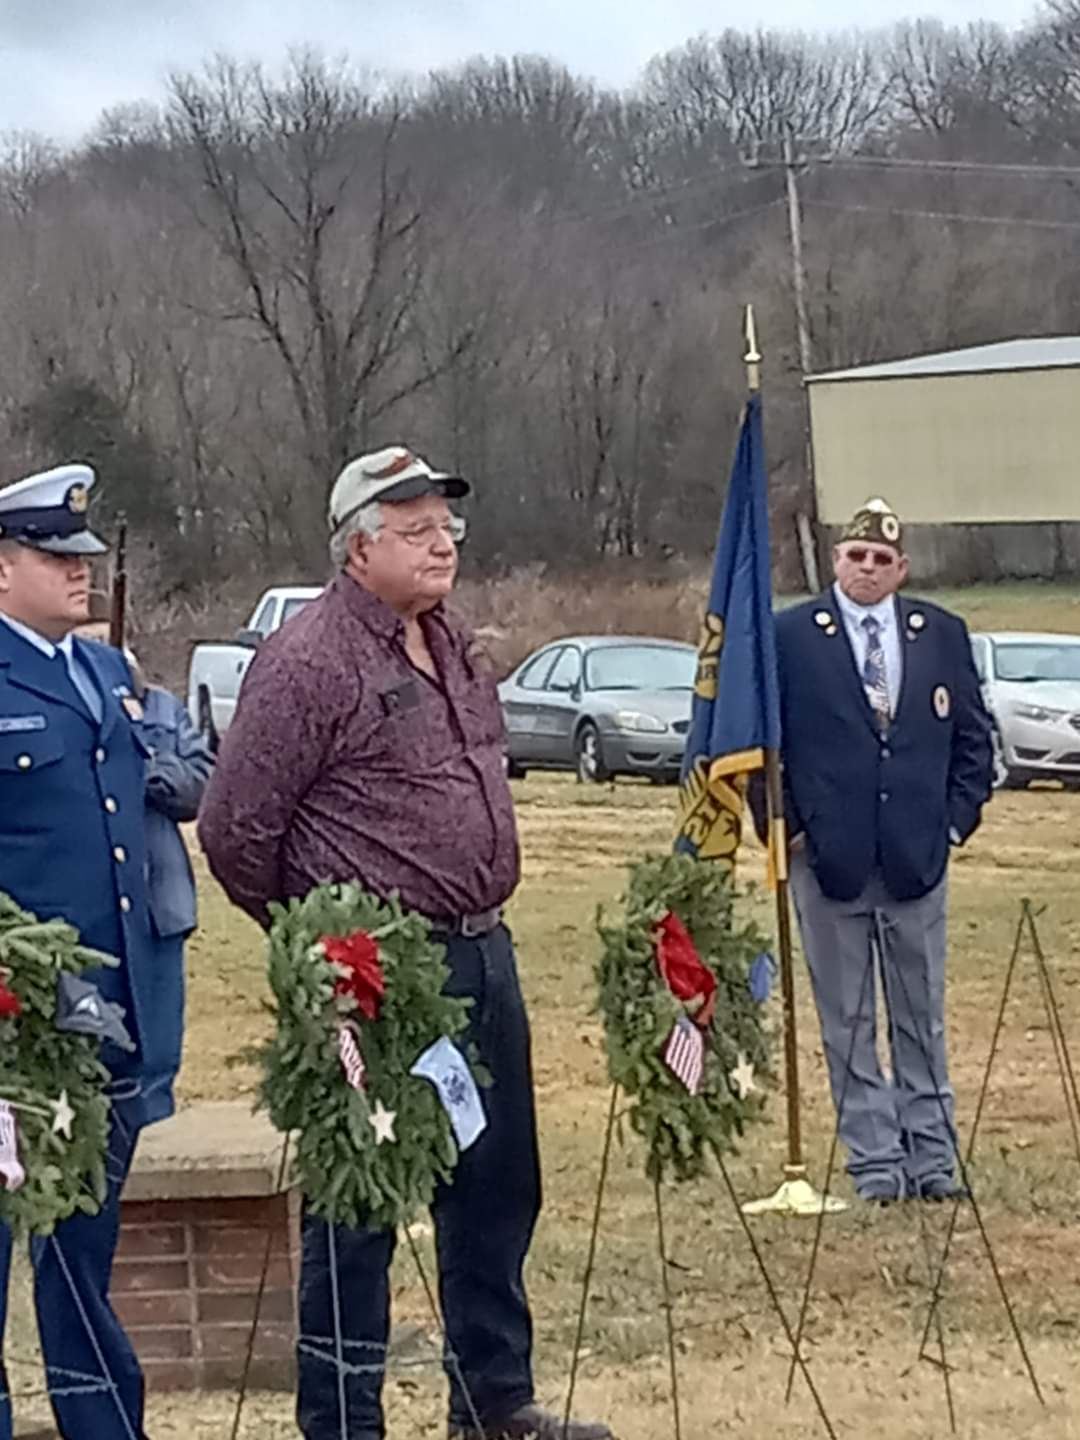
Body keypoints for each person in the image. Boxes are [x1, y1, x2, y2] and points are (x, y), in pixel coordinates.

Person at [198, 446, 610, 1440]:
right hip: (373, 976)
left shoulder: (453, 641)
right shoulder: (306, 662)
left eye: (447, 527)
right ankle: (342, 1419)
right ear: (357, 547)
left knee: (498, 1184)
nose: (442, 544)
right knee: (363, 1201)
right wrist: (326, 945)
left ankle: (494, 1402)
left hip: (480, 950)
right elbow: (233, 830)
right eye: (416, 528)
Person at [0, 464, 167, 1440]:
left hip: (100, 1017)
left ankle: (103, 1424)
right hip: (14, 1022)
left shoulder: (106, 671)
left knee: (81, 1253)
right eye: (54, 555)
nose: (80, 571)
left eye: (84, 555)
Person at [774, 498, 992, 1205]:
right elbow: (760, 747)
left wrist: (952, 825)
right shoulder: (791, 636)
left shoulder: (941, 635)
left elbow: (973, 743)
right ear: (836, 560)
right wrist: (788, 827)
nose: (866, 569)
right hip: (828, 859)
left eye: (881, 560)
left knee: (919, 1015)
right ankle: (875, 1163)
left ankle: (932, 1158)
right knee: (848, 1020)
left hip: (915, 861)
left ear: (901, 569)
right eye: (855, 555)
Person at [74, 592, 214, 1119]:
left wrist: (137, 757)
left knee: (156, 1055)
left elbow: (197, 787)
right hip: (87, 909)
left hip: (158, 908)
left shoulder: (160, 707)